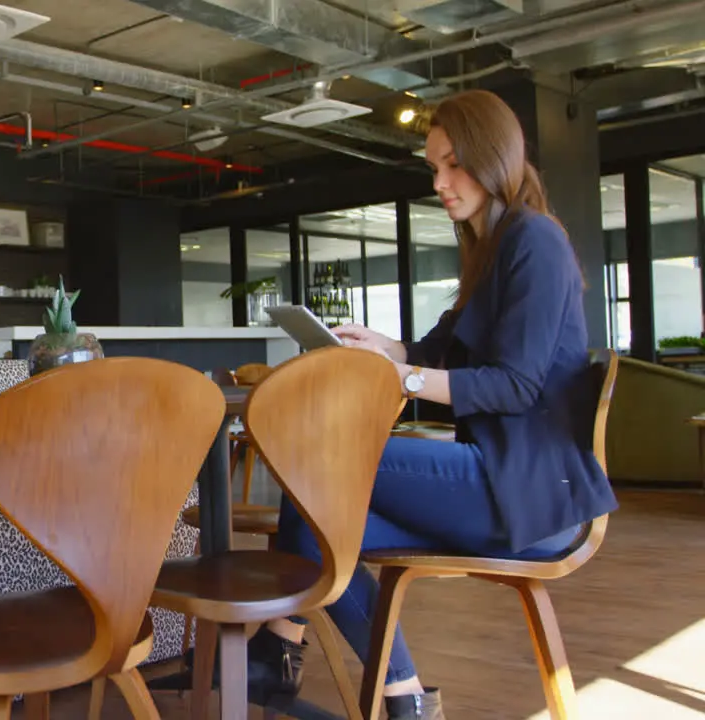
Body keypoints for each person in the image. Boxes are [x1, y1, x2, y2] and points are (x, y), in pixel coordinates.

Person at [186, 89, 619, 719]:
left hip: (528, 491)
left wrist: (403, 378)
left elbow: (516, 386)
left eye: (453, 165)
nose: (440, 183)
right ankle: (395, 694)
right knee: (316, 515)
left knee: (317, 474)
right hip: (497, 477)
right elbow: (437, 353)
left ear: (494, 159)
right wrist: (386, 348)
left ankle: (281, 656)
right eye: (433, 168)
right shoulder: (493, 248)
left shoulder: (535, 242)